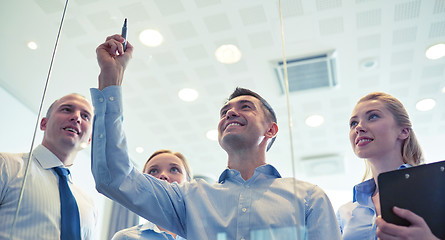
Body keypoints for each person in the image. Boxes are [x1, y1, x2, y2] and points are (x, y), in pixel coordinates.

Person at [90, 34, 341, 239]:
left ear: (271, 130)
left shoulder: (308, 198)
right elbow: (113, 177)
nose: (231, 112)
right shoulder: (189, 198)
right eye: (225, 111)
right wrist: (111, 80)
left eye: (245, 107)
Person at [337, 92, 439, 240]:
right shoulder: (345, 212)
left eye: (372, 116)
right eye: (353, 123)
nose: (358, 127)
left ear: (403, 131)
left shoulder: (436, 188)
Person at [0, 93, 97, 239]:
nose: (76, 117)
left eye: (85, 116)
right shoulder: (6, 166)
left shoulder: (89, 205)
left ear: (89, 139)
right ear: (44, 123)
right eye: (67, 109)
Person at [112, 149, 191, 240]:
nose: (163, 175)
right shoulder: (125, 237)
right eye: (153, 171)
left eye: (174, 169)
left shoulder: (205, 235)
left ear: (188, 182)